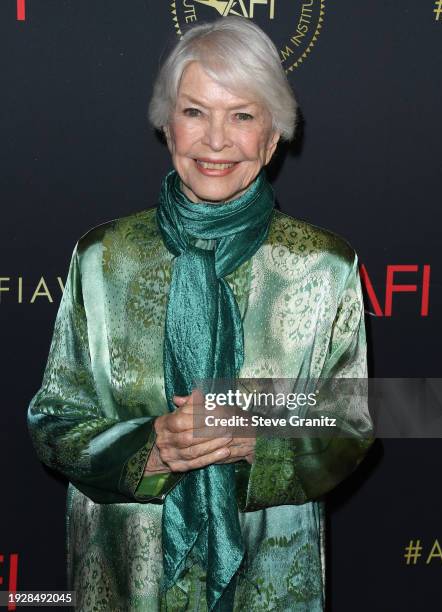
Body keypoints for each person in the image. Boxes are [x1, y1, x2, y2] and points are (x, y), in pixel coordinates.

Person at [27, 16, 373, 612]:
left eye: (242, 115)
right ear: (168, 128)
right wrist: (149, 445)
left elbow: (350, 424)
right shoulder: (103, 259)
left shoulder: (325, 267)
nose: (216, 140)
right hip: (127, 575)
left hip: (270, 575)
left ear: (272, 138)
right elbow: (53, 422)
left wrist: (252, 435)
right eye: (195, 112)